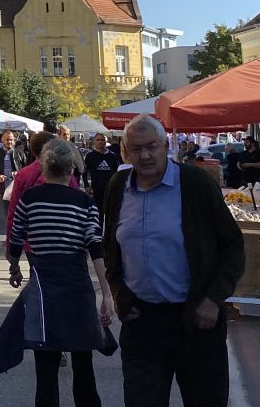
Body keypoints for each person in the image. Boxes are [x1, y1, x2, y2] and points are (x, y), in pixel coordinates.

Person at [101, 115, 245, 407]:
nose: (144, 155)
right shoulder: (118, 186)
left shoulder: (195, 184)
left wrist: (212, 299)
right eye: (136, 149)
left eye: (151, 147)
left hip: (195, 321)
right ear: (125, 152)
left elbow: (232, 245)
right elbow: (110, 247)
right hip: (142, 323)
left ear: (165, 145)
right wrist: (118, 293)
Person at [0, 138, 115, 407]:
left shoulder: (29, 199)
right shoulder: (85, 203)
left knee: (46, 370)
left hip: (43, 290)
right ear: (71, 170)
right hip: (77, 291)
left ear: (44, 168)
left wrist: (14, 269)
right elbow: (96, 248)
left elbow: (16, 241)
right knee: (84, 368)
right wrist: (106, 294)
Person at [7, 131, 59, 235]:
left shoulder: (23, 174)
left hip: (31, 235)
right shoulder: (65, 174)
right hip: (61, 236)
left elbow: (14, 210)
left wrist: (10, 242)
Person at [83, 133, 121, 208]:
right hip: (96, 190)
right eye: (98, 140)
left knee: (110, 212)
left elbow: (118, 172)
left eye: (102, 140)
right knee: (98, 212)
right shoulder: (90, 156)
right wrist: (86, 185)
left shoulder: (112, 155)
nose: (100, 141)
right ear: (94, 142)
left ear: (105, 142)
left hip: (110, 189)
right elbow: (84, 171)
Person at [0, 130, 22, 210]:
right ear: (2, 140)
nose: (9, 142)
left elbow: (28, 169)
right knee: (8, 213)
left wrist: (18, 173)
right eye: (7, 139)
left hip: (18, 187)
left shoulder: (19, 153)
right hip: (4, 188)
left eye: (11, 140)